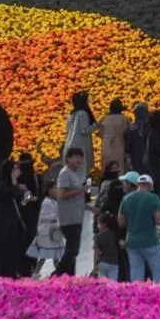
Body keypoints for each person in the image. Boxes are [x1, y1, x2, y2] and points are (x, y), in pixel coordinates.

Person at [53, 147, 88, 276]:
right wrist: (81, 190)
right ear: (68, 158)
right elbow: (62, 194)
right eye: (77, 157)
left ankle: (69, 277)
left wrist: (91, 208)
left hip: (77, 216)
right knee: (72, 250)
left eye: (81, 157)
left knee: (72, 251)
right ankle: (57, 274)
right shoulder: (65, 173)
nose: (80, 160)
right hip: (68, 218)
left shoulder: (75, 174)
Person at [62, 91, 98, 177]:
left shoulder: (71, 114)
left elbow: (67, 129)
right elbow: (84, 131)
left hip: (69, 145)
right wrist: (96, 126)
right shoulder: (83, 113)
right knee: (80, 174)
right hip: (80, 147)